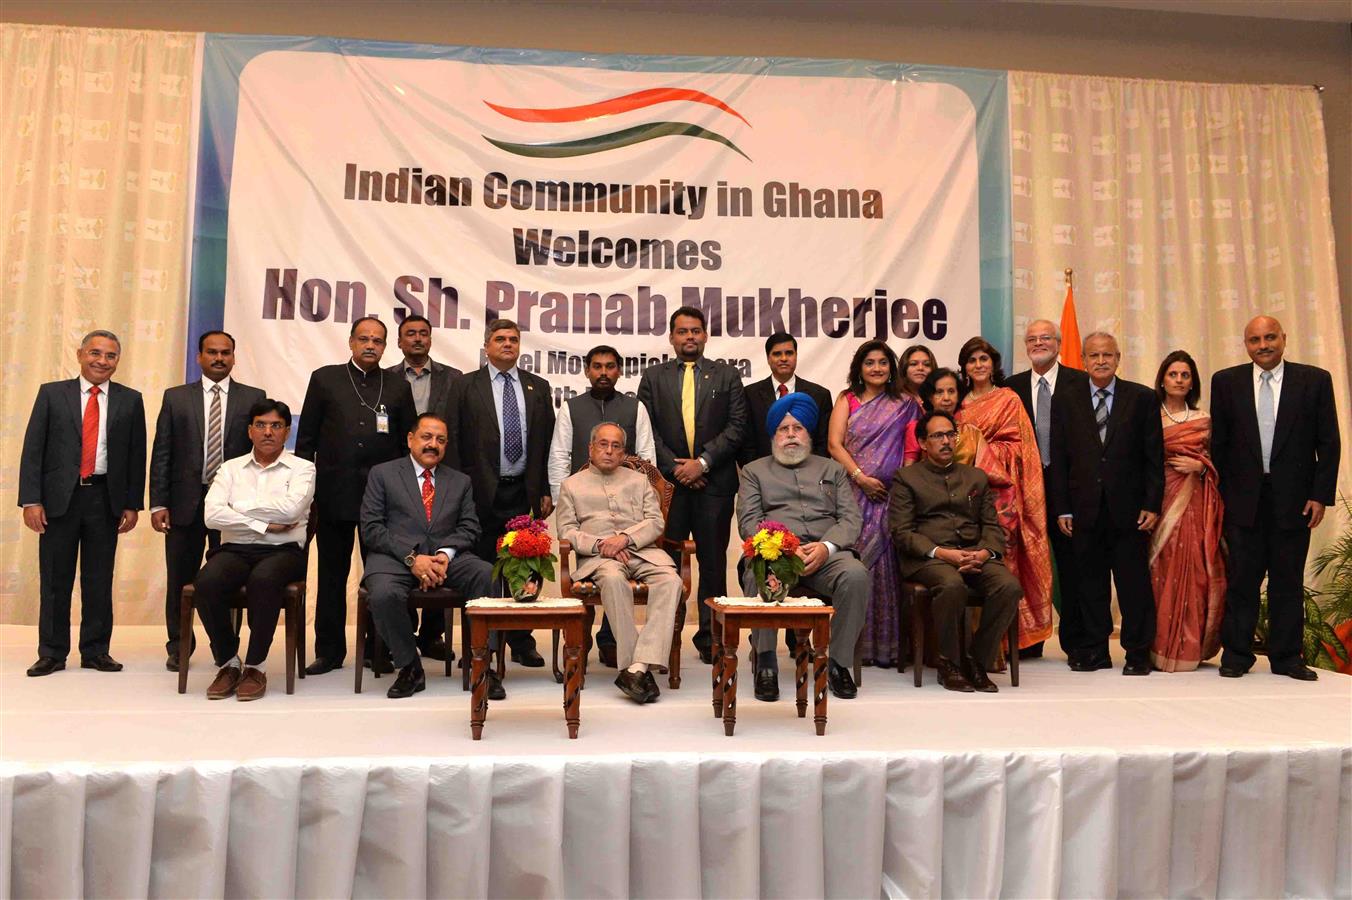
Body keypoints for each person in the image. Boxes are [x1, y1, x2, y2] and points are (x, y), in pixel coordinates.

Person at [1211, 316, 1341, 680]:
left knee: (1287, 581)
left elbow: (1328, 444)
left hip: (1295, 501)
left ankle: (1286, 658)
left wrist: (1320, 495)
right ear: (1245, 343)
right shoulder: (1226, 382)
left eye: (1270, 337)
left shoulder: (1313, 381)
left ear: (1284, 338)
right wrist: (1220, 498)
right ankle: (1237, 655)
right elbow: (1218, 446)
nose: (1263, 344)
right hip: (1242, 501)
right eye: (1255, 339)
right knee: (1242, 581)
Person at [295, 316, 418, 675]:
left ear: (385, 346)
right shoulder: (325, 378)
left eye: (377, 341)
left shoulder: (397, 386)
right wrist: (306, 495)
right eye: (363, 338)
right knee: (332, 575)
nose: (370, 345)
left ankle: (379, 649)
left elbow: (405, 445)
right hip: (333, 494)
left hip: (383, 501)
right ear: (350, 342)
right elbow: (306, 443)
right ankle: (329, 651)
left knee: (382, 576)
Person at [20, 330, 146, 677]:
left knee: (99, 579)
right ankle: (52, 652)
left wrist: (133, 503)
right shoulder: (51, 394)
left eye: (110, 356)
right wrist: (31, 500)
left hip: (105, 499)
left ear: (117, 361)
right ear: (80, 354)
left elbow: (137, 455)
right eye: (95, 353)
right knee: (55, 579)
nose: (101, 361)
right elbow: (33, 451)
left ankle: (95, 650)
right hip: (60, 500)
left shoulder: (131, 400)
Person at [440, 319, 555, 668]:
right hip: (477, 494)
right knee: (482, 571)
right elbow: (453, 440)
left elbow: (546, 444)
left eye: (513, 339)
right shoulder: (464, 386)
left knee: (524, 567)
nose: (507, 344)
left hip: (523, 492)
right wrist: (457, 492)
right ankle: (479, 646)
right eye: (500, 339)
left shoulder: (538, 386)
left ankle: (521, 641)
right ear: (486, 346)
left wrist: (546, 489)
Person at [359, 413, 499, 700]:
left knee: (486, 574)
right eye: (426, 437)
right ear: (410, 439)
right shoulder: (383, 474)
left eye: (440, 440)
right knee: (383, 593)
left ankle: (482, 665)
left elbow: (470, 528)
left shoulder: (460, 481)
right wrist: (412, 559)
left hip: (447, 558)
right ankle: (409, 667)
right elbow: (372, 528)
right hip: (394, 558)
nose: (433, 444)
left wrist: (444, 554)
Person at [738, 394, 867, 701]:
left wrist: (827, 546)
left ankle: (837, 664)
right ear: (773, 435)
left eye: (798, 428)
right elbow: (749, 523)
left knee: (856, 575)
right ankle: (766, 662)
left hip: (827, 556)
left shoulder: (832, 470)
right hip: (777, 556)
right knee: (761, 572)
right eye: (784, 429)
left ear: (809, 433)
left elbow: (851, 518)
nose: (791, 435)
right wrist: (784, 548)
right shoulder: (754, 472)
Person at [1049, 332, 1164, 675]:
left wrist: (1152, 504)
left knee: (1133, 585)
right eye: (1094, 356)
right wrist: (1063, 508)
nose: (1101, 361)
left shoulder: (1141, 398)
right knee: (1091, 585)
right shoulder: (1065, 399)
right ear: (1083, 360)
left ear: (1118, 358)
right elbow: (1059, 457)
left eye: (1107, 355)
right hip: (1084, 510)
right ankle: (1096, 650)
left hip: (1129, 512)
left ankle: (1138, 653)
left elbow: (1153, 458)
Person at [149, 331, 265, 671]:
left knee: (230, 577)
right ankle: (179, 645)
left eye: (225, 353)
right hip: (185, 502)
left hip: (233, 505)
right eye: (211, 352)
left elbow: (259, 454)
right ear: (199, 357)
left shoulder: (253, 398)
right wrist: (158, 504)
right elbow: (162, 453)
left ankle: (226, 648)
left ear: (234, 357)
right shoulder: (176, 398)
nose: (218, 358)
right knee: (180, 577)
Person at [637, 306, 747, 664]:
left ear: (705, 335)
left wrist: (702, 463)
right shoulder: (653, 377)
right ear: (671, 337)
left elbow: (737, 426)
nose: (689, 337)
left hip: (714, 484)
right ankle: (664, 640)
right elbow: (646, 429)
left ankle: (710, 639)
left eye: (695, 331)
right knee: (665, 565)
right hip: (667, 488)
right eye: (682, 331)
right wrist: (674, 467)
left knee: (713, 563)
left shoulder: (727, 375)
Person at [889, 410, 1022, 692]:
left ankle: (976, 660)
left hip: (975, 553)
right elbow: (902, 532)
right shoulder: (906, 478)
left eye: (951, 434)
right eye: (938, 436)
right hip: (929, 559)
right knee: (951, 585)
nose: (947, 441)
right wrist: (941, 553)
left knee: (1008, 587)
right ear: (923, 443)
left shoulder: (975, 477)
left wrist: (986, 552)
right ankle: (948, 663)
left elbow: (991, 525)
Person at [194, 400, 315, 701]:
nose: (268, 432)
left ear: (287, 432)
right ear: (250, 431)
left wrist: (239, 509)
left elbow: (290, 512)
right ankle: (228, 663)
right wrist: (261, 524)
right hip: (235, 549)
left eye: (276, 426)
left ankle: (255, 666)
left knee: (264, 580)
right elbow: (211, 515)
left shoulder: (303, 468)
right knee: (206, 582)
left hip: (283, 551)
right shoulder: (230, 468)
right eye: (261, 425)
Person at [556, 422, 683, 704]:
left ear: (623, 452)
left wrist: (625, 538)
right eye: (603, 444)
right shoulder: (571, 485)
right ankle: (632, 665)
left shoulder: (639, 482)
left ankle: (638, 666)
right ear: (591, 448)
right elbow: (566, 530)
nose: (609, 451)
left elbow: (655, 522)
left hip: (642, 551)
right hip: (600, 558)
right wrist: (602, 544)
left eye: (616, 446)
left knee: (671, 581)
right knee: (613, 580)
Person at [547, 344, 657, 667]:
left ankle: (611, 640)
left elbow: (647, 458)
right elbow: (559, 455)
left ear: (619, 371)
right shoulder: (572, 407)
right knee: (600, 567)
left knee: (620, 568)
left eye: (610, 366)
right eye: (597, 366)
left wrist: (638, 517)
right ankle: (583, 637)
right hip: (586, 513)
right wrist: (559, 501)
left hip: (627, 514)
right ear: (587, 371)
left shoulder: (635, 407)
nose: (604, 372)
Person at [955, 336, 1053, 654]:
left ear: (993, 365)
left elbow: (1024, 448)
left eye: (984, 359)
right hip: (970, 497)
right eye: (972, 360)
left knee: (1006, 562)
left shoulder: (1009, 399)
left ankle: (1014, 643)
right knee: (973, 564)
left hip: (1006, 494)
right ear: (965, 367)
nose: (979, 365)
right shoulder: (959, 405)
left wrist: (983, 448)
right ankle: (978, 642)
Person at [827, 341, 921, 667]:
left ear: (891, 367)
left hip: (893, 497)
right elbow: (834, 444)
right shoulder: (847, 399)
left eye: (883, 362)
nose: (877, 368)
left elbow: (914, 447)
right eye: (870, 363)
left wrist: (902, 485)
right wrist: (860, 477)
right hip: (854, 495)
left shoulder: (906, 403)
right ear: (860, 367)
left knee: (888, 569)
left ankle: (887, 648)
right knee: (856, 566)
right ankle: (852, 646)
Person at [1006, 319, 1090, 659]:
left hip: (1070, 487)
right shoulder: (1010, 388)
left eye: (1045, 338)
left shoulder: (1082, 382)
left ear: (1058, 343)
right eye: (1032, 339)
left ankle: (1077, 641)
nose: (1038, 343)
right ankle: (1032, 640)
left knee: (1073, 565)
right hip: (1026, 489)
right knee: (1029, 564)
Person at [387, 313, 463, 662]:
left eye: (423, 334)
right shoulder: (385, 380)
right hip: (399, 479)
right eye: (410, 334)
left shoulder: (455, 379)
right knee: (401, 553)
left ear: (431, 340)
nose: (417, 339)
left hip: (441, 475)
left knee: (438, 546)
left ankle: (432, 636)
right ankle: (398, 637)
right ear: (400, 342)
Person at [1148, 351, 1226, 672]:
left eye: (1185, 375)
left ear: (1192, 381)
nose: (1179, 380)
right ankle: (1158, 646)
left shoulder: (1204, 418)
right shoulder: (1149, 416)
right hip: (1161, 501)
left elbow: (1224, 461)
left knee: (1193, 570)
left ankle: (1189, 647)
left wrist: (1201, 467)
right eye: (1173, 374)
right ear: (1162, 380)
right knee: (1159, 570)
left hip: (1195, 502)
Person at [739, 332, 833, 465]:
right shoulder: (749, 394)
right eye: (777, 354)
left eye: (789, 353)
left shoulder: (819, 395)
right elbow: (746, 444)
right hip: (764, 477)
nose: (783, 358)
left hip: (809, 477)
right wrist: (760, 474)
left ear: (796, 356)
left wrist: (810, 473)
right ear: (768, 358)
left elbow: (823, 444)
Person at [914, 368, 984, 465]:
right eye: (939, 392)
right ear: (929, 397)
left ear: (958, 395)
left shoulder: (971, 432)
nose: (946, 398)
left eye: (951, 391)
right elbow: (910, 471)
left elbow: (987, 469)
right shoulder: (918, 428)